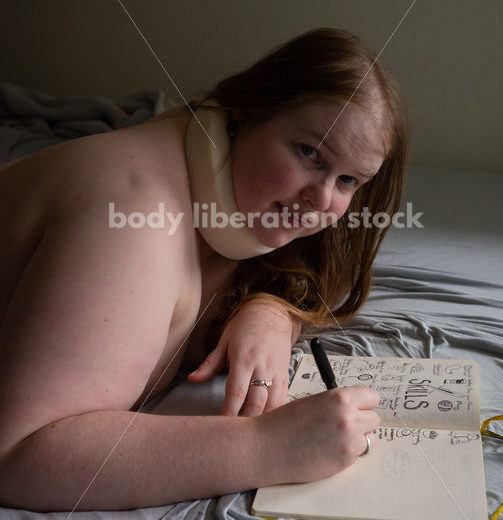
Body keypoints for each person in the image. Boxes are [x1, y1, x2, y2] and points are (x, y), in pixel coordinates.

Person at [0, 27, 409, 511]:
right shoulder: (134, 218)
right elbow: (17, 457)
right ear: (246, 110)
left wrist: (270, 312)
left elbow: (300, 273)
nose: (321, 200)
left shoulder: (234, 193)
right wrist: (266, 446)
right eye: (308, 153)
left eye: (347, 180)